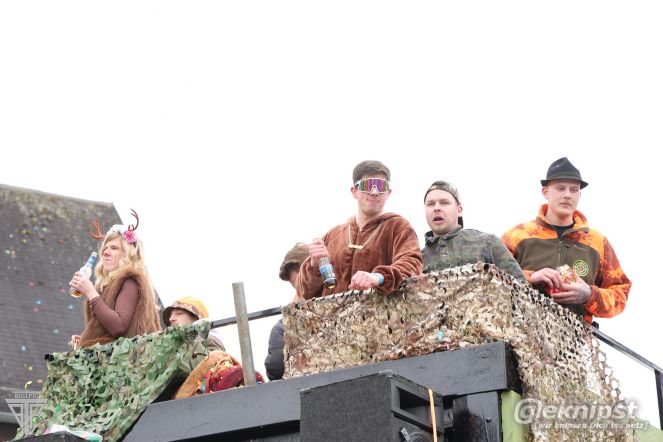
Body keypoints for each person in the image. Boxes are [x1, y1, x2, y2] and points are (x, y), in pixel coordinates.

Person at [502, 157, 631, 323]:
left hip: (576, 337)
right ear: (545, 192)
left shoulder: (597, 242)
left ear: (579, 195)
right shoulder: (518, 234)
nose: (567, 195)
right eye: (560, 188)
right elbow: (489, 278)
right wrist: (530, 278)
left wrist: (589, 295)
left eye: (574, 190)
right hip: (521, 332)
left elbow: (620, 294)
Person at [295, 160, 423, 299]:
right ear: (354, 191)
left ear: (388, 193)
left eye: (381, 186)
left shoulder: (398, 227)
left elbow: (412, 265)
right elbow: (304, 292)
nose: (374, 192)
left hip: (380, 312)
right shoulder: (333, 236)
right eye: (367, 185)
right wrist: (314, 266)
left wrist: (378, 277)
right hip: (335, 313)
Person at [69, 212, 161, 348]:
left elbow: (119, 327)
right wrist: (87, 339)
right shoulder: (107, 286)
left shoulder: (130, 280)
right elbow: (108, 333)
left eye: (114, 248)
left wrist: (91, 293)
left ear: (128, 253)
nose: (105, 252)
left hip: (122, 359)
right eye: (105, 248)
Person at [422, 180, 526, 283]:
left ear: (459, 210)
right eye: (430, 204)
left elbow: (521, 286)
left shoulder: (487, 243)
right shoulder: (418, 260)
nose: (436, 208)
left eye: (444, 203)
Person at [264, 243, 309, 381]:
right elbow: (275, 366)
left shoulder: (282, 327)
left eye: (303, 284)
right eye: (297, 287)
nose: (302, 292)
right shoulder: (283, 327)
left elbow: (275, 368)